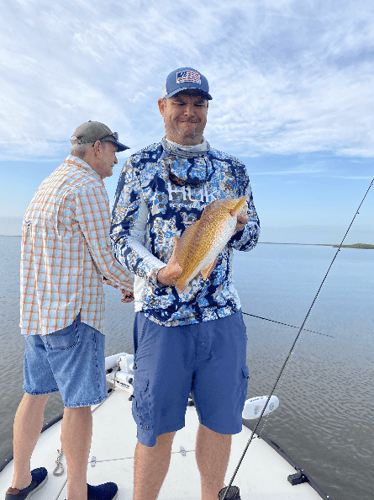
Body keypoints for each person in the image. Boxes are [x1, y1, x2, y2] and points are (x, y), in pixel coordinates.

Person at [110, 67, 260, 500]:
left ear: (207, 110)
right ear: (163, 108)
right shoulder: (139, 164)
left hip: (222, 317)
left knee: (220, 421)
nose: (190, 112)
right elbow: (121, 236)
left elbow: (251, 238)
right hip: (161, 319)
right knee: (155, 427)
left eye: (199, 103)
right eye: (180, 102)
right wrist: (160, 272)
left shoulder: (233, 169)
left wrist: (239, 224)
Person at [6, 121, 134, 500]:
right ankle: (78, 493)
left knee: (34, 395)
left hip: (37, 317)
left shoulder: (49, 184)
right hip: (73, 319)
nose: (115, 160)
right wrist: (132, 285)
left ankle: (19, 482)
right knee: (78, 406)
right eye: (114, 150)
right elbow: (107, 258)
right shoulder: (88, 187)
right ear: (97, 147)